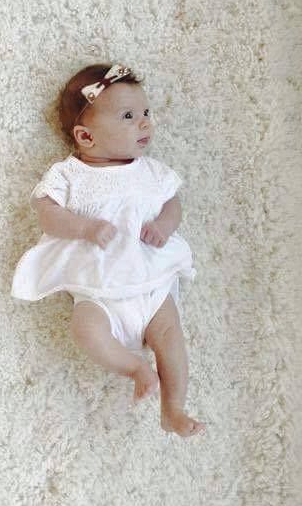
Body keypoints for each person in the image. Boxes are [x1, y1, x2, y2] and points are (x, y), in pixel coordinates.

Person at [11, 63, 205, 437]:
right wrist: (84, 227)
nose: (145, 123)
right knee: (85, 330)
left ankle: (174, 408)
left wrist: (164, 226)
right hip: (98, 292)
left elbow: (172, 204)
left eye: (146, 113)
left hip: (150, 284)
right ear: (85, 136)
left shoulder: (150, 171)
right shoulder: (69, 175)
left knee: (171, 336)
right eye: (129, 116)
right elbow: (47, 214)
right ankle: (134, 368)